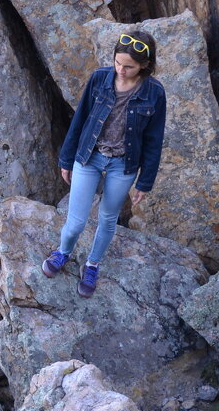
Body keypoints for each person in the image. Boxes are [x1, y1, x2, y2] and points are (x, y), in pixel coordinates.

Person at [41, 30, 167, 298]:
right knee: (75, 222)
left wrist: (145, 182)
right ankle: (63, 253)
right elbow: (81, 119)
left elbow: (154, 140)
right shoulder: (100, 78)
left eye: (129, 66)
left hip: (123, 165)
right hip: (89, 157)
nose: (121, 70)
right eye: (117, 63)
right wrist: (67, 159)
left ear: (145, 65)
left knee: (108, 218)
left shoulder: (155, 93)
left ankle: (92, 264)